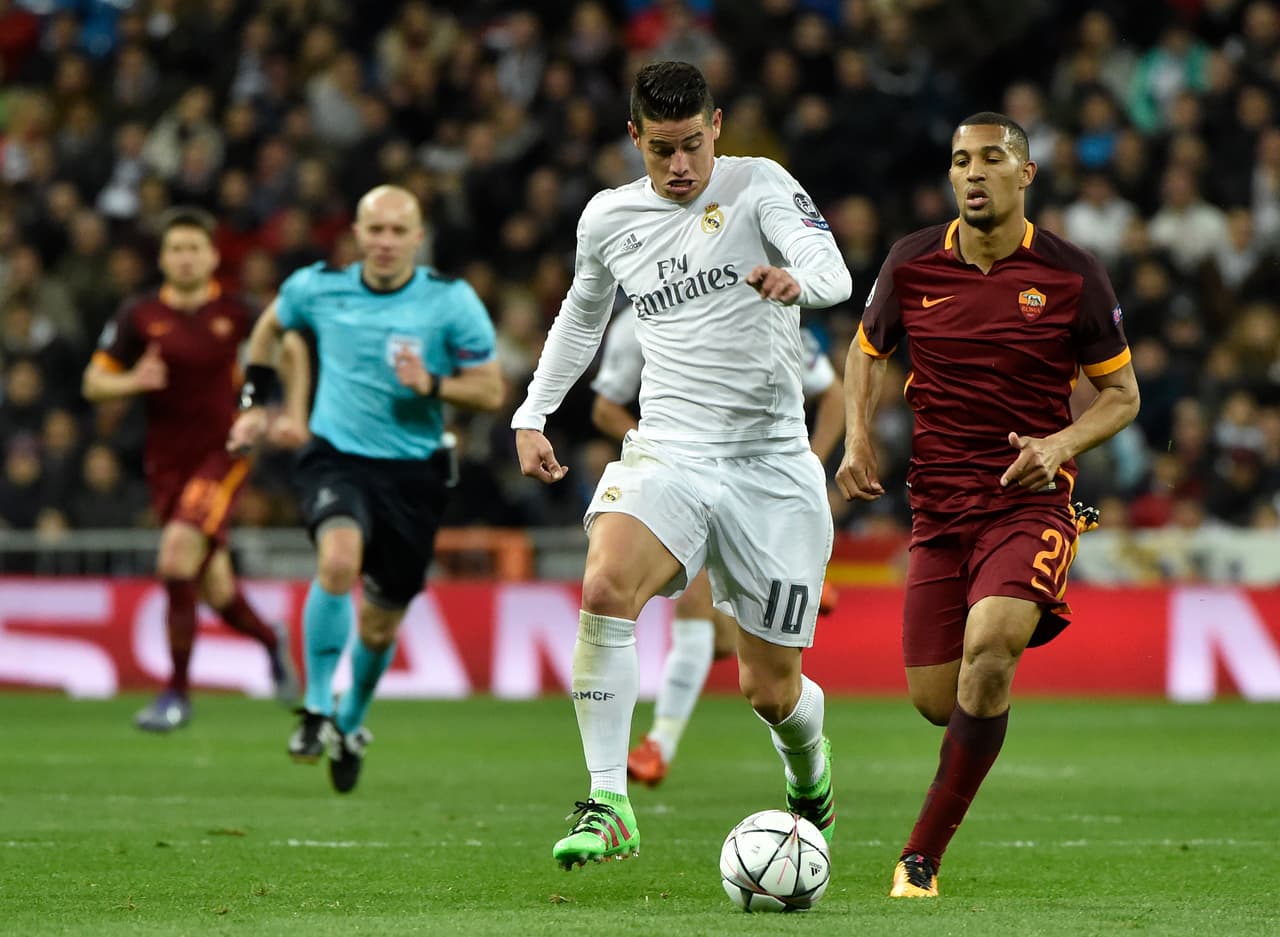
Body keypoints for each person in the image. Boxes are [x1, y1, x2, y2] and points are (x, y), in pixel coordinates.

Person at [511, 61, 852, 869]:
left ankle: (810, 769)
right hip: (672, 448)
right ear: (634, 137)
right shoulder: (609, 219)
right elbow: (579, 317)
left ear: (717, 127)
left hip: (771, 460)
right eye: (661, 149)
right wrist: (532, 411)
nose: (680, 167)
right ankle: (609, 800)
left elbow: (837, 273)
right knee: (604, 585)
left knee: (771, 690)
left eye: (693, 145)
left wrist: (795, 278)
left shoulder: (759, 184)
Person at [835, 112, 1140, 898]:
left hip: (1028, 500)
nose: (972, 172)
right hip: (937, 511)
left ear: (1025, 174)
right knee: (941, 700)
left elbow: (1121, 395)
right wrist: (858, 441)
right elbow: (865, 353)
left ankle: (920, 857)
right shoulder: (912, 262)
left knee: (993, 642)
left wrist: (1059, 446)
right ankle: (988, 676)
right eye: (960, 160)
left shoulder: (1073, 274)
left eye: (991, 158)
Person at [227, 185, 503, 794]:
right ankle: (318, 707)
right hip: (335, 459)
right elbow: (269, 330)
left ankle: (350, 723)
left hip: (413, 475)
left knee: (379, 627)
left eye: (397, 231)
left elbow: (489, 390)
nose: (384, 242)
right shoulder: (317, 288)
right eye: (373, 229)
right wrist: (254, 402)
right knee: (337, 558)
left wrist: (431, 384)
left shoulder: (450, 301)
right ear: (355, 233)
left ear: (417, 237)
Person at [588, 305, 845, 787]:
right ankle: (658, 746)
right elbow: (605, 405)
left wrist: (812, 465)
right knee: (694, 609)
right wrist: (667, 451)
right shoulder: (633, 322)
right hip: (681, 481)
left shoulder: (763, 309)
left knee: (747, 665)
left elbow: (832, 391)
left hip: (761, 489)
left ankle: (795, 587)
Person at [82, 207, 306, 732]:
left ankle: (176, 694)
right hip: (166, 464)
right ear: (162, 258)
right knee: (215, 588)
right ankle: (269, 639)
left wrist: (287, 412)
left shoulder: (238, 310)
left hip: (224, 452)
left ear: (210, 255)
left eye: (194, 248)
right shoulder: (138, 315)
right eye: (176, 248)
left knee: (176, 556)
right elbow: (95, 383)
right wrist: (132, 381)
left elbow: (291, 346)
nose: (185, 257)